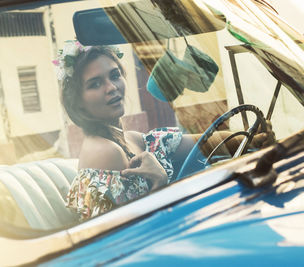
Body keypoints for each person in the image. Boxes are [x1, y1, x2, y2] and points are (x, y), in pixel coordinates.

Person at [53, 40, 274, 220]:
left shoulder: (129, 139)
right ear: (78, 102)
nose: (112, 88)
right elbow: (123, 240)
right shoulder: (103, 152)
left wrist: (254, 139)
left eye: (114, 75)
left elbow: (205, 143)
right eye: (95, 84)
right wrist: (159, 183)